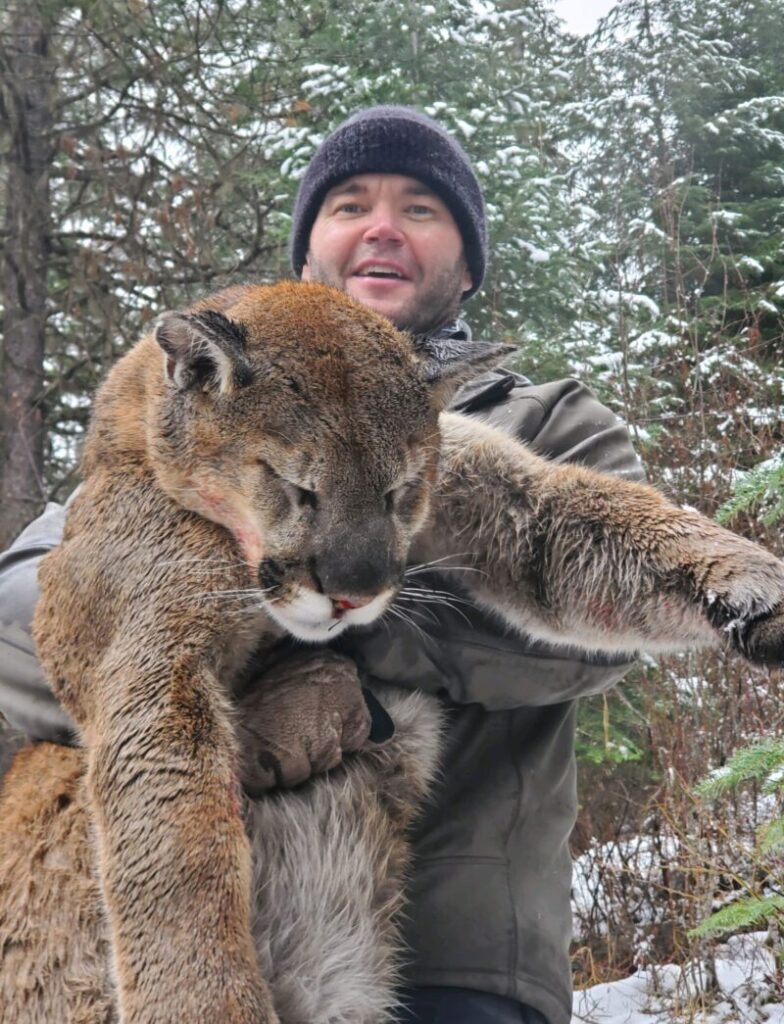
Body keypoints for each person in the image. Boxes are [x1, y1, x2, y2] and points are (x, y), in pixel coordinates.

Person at [0, 106, 644, 1024]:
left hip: (447, 965)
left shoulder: (543, 423)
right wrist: (184, 664)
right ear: (308, 257)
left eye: (421, 208)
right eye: (350, 204)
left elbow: (594, 631)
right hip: (151, 957)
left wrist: (353, 666)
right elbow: (18, 620)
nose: (381, 226)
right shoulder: (211, 410)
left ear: (466, 269)